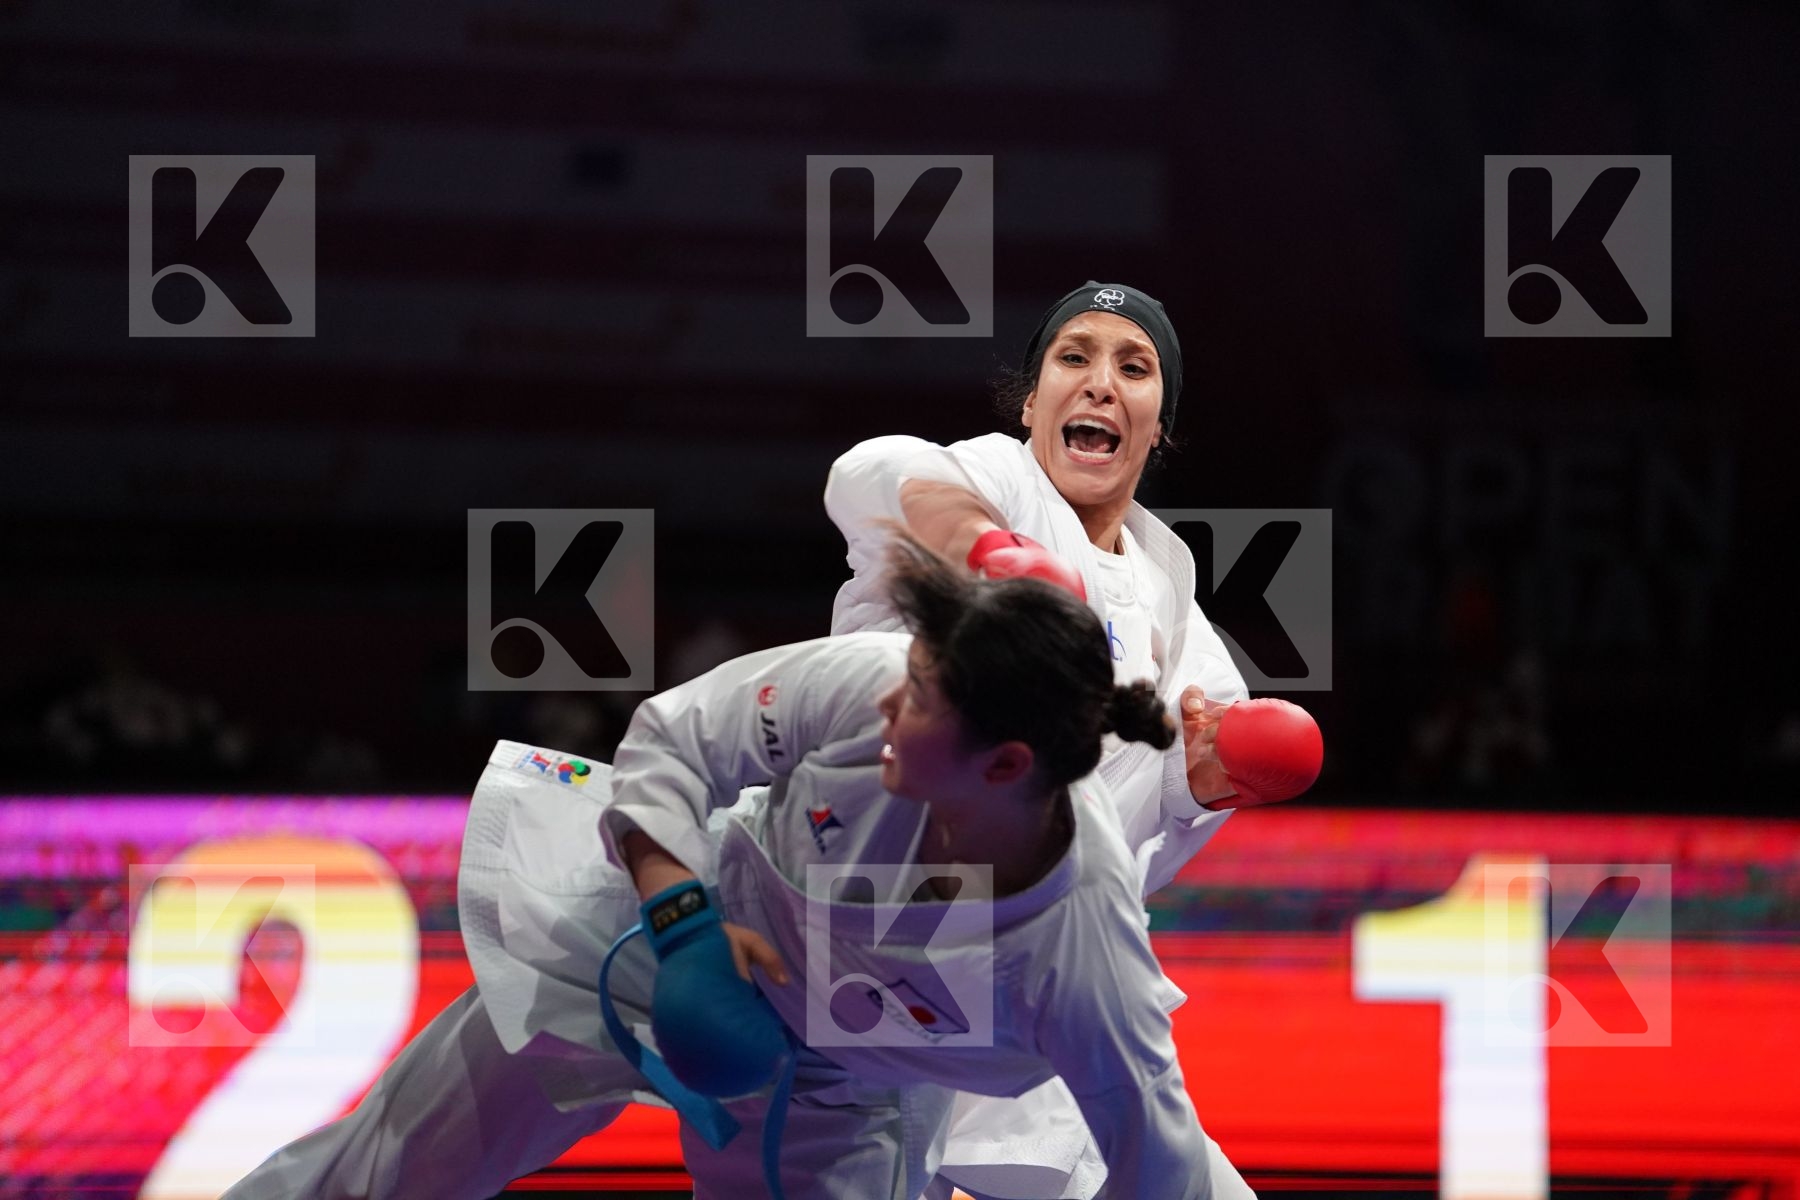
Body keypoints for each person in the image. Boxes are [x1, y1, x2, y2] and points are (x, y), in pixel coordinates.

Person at [221, 533, 1250, 1200]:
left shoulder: (1083, 956)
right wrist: (685, 927)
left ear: (1007, 765)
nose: (892, 702)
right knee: (399, 1158)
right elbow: (670, 743)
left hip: (843, 1091)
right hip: (664, 929)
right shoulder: (863, 684)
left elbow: (1156, 1163)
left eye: (922, 699)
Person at [826, 281, 1297, 1199]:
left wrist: (1203, 785)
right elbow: (868, 473)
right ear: (1031, 403)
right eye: (1073, 357)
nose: (1100, 383)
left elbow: (1145, 829)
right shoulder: (998, 482)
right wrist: (980, 545)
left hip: (1037, 973)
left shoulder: (1168, 591)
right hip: (885, 939)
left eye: (1134, 367)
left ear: (1159, 425)